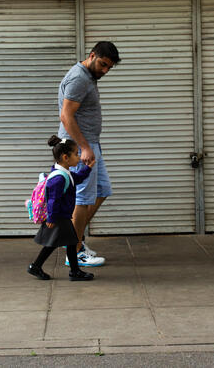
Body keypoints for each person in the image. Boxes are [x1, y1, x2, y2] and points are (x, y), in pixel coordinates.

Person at [58, 41, 121, 267]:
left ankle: (75, 238)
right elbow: (66, 116)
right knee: (82, 199)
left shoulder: (89, 77)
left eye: (108, 68)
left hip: (89, 145)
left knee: (102, 190)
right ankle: (73, 251)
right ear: (92, 55)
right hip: (80, 149)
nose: (104, 71)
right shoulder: (79, 78)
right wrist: (84, 148)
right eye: (103, 64)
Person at [27, 135, 95, 281]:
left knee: (68, 242)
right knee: (57, 243)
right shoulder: (58, 178)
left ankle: (71, 271)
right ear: (66, 157)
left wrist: (87, 168)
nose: (78, 157)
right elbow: (53, 200)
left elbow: (77, 179)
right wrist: (51, 217)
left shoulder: (65, 173)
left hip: (62, 216)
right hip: (58, 217)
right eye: (76, 154)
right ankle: (38, 266)